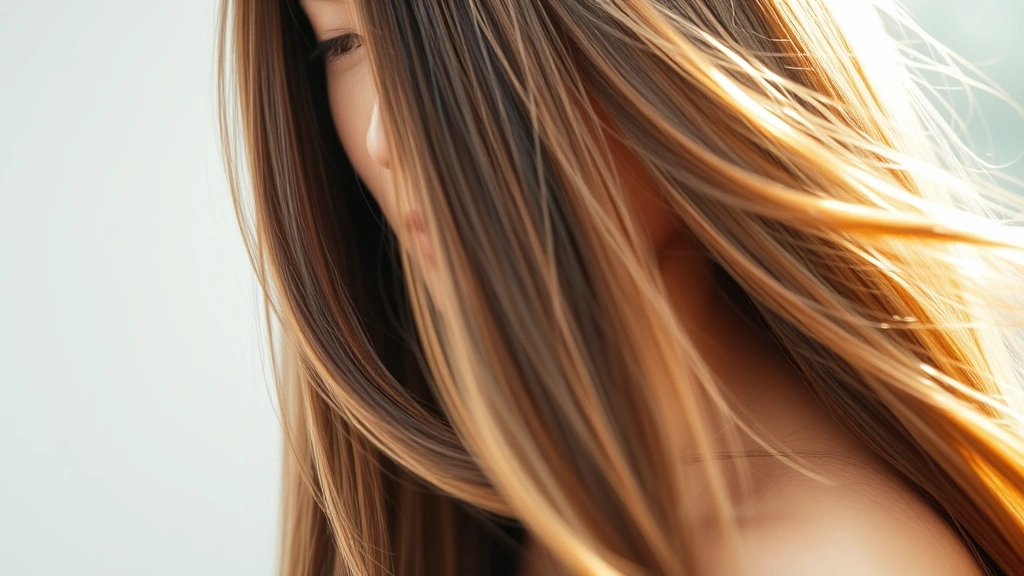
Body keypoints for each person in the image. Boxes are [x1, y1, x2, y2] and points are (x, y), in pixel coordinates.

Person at [217, 0, 1024, 574]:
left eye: (435, 26)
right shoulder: (508, 513)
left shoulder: (824, 556)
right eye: (341, 46)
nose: (381, 134)